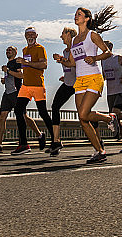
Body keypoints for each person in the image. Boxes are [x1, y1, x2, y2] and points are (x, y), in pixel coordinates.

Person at [59, 6, 119, 164]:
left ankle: (108, 118)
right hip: (80, 80)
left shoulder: (92, 35)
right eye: (75, 14)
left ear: (86, 19)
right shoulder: (74, 40)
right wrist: (61, 60)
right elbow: (72, 62)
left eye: (79, 15)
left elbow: (108, 52)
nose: (76, 16)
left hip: (94, 77)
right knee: (82, 118)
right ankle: (100, 151)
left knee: (85, 114)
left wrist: (95, 58)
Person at [0, 46, 43, 153]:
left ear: (15, 52)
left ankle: (39, 135)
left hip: (17, 94)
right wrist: (5, 80)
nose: (8, 51)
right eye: (7, 49)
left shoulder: (17, 62)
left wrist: (9, 71)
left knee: (24, 117)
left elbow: (22, 75)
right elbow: (12, 77)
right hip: (7, 94)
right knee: (2, 117)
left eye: (10, 50)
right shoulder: (8, 64)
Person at [11, 27, 54, 155]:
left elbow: (44, 65)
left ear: (36, 35)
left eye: (32, 34)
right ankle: (24, 144)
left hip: (37, 85)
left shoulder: (40, 48)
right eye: (28, 34)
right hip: (26, 86)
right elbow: (26, 68)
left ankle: (56, 140)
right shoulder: (25, 50)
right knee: (18, 110)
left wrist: (26, 63)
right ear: (25, 36)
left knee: (43, 113)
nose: (30, 36)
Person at [49, 27, 77, 156]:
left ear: (69, 35)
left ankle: (98, 140)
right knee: (55, 107)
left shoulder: (76, 49)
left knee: (84, 113)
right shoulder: (65, 51)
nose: (61, 37)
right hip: (67, 84)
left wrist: (61, 60)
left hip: (79, 85)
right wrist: (65, 76)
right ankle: (56, 141)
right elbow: (68, 68)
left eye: (63, 34)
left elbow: (75, 64)